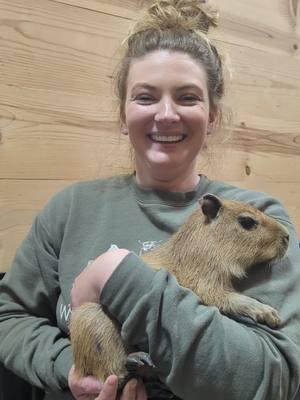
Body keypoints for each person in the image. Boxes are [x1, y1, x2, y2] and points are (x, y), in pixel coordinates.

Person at [0, 0, 300, 399]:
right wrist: (71, 370)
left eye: (188, 97)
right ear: (123, 115)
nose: (166, 114)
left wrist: (117, 277)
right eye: (145, 97)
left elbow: (276, 378)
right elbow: (11, 315)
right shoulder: (68, 210)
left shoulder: (262, 218)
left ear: (212, 116)